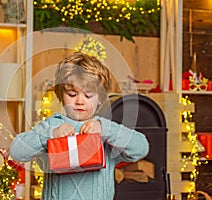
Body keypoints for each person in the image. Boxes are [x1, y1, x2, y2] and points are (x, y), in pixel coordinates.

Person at [10, 52, 149, 200]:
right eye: (71, 94)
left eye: (88, 95)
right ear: (60, 94)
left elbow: (141, 148)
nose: (80, 101)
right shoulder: (53, 125)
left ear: (100, 98)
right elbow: (16, 151)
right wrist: (50, 134)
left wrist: (106, 130)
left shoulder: (104, 130)